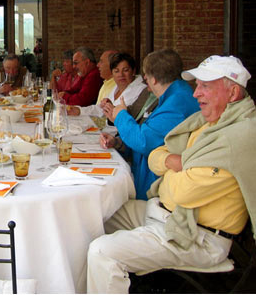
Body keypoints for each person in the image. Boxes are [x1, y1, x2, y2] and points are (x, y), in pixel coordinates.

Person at [87, 55, 256, 293]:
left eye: (205, 86)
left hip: (196, 235)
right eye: (197, 85)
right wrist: (174, 163)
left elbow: (181, 192)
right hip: (169, 214)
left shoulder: (234, 138)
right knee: (94, 217)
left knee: (102, 252)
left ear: (233, 93)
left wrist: (174, 167)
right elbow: (158, 151)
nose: (195, 94)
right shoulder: (209, 121)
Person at [99, 49, 199, 199]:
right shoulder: (170, 95)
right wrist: (118, 142)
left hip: (157, 193)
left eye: (146, 75)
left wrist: (120, 115)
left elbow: (144, 142)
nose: (144, 78)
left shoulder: (177, 103)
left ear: (154, 79)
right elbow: (150, 132)